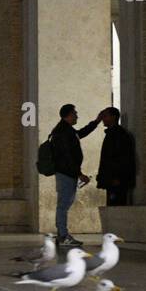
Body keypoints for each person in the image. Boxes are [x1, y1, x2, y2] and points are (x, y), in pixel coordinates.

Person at [47, 104, 105, 246]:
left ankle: (62, 235)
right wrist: (79, 174)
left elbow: (81, 133)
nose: (77, 116)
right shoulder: (62, 132)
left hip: (66, 173)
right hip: (66, 173)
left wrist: (96, 121)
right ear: (68, 115)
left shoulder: (66, 130)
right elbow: (67, 156)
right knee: (63, 205)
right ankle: (63, 236)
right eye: (75, 114)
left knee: (64, 204)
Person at [95, 107, 137, 206]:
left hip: (116, 181)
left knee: (117, 208)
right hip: (112, 180)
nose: (102, 119)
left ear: (113, 117)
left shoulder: (119, 135)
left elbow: (123, 158)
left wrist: (118, 177)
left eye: (105, 116)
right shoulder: (113, 134)